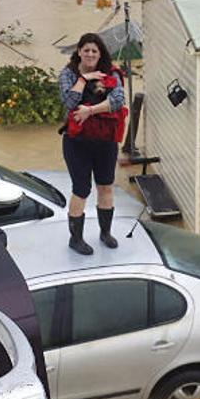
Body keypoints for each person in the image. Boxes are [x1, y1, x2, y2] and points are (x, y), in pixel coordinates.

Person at [58, 33, 125, 255]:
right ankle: (75, 239)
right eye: (85, 50)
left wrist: (90, 111)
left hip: (105, 141)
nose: (89, 54)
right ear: (78, 52)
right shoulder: (68, 74)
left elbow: (117, 101)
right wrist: (83, 79)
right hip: (77, 142)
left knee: (105, 186)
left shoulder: (112, 73)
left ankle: (105, 233)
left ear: (100, 54)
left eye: (94, 51)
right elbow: (69, 101)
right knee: (81, 190)